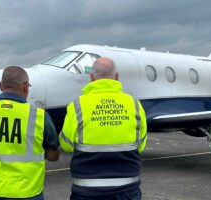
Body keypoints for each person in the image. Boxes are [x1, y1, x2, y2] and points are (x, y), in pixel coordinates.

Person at [0, 66, 60, 200]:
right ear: (25, 86)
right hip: (28, 193)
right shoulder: (39, 115)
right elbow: (53, 156)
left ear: (1, 86)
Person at [59, 57, 147, 200]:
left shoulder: (77, 106)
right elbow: (141, 145)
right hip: (126, 191)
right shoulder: (134, 104)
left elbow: (66, 145)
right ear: (117, 77)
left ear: (91, 78)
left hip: (87, 192)